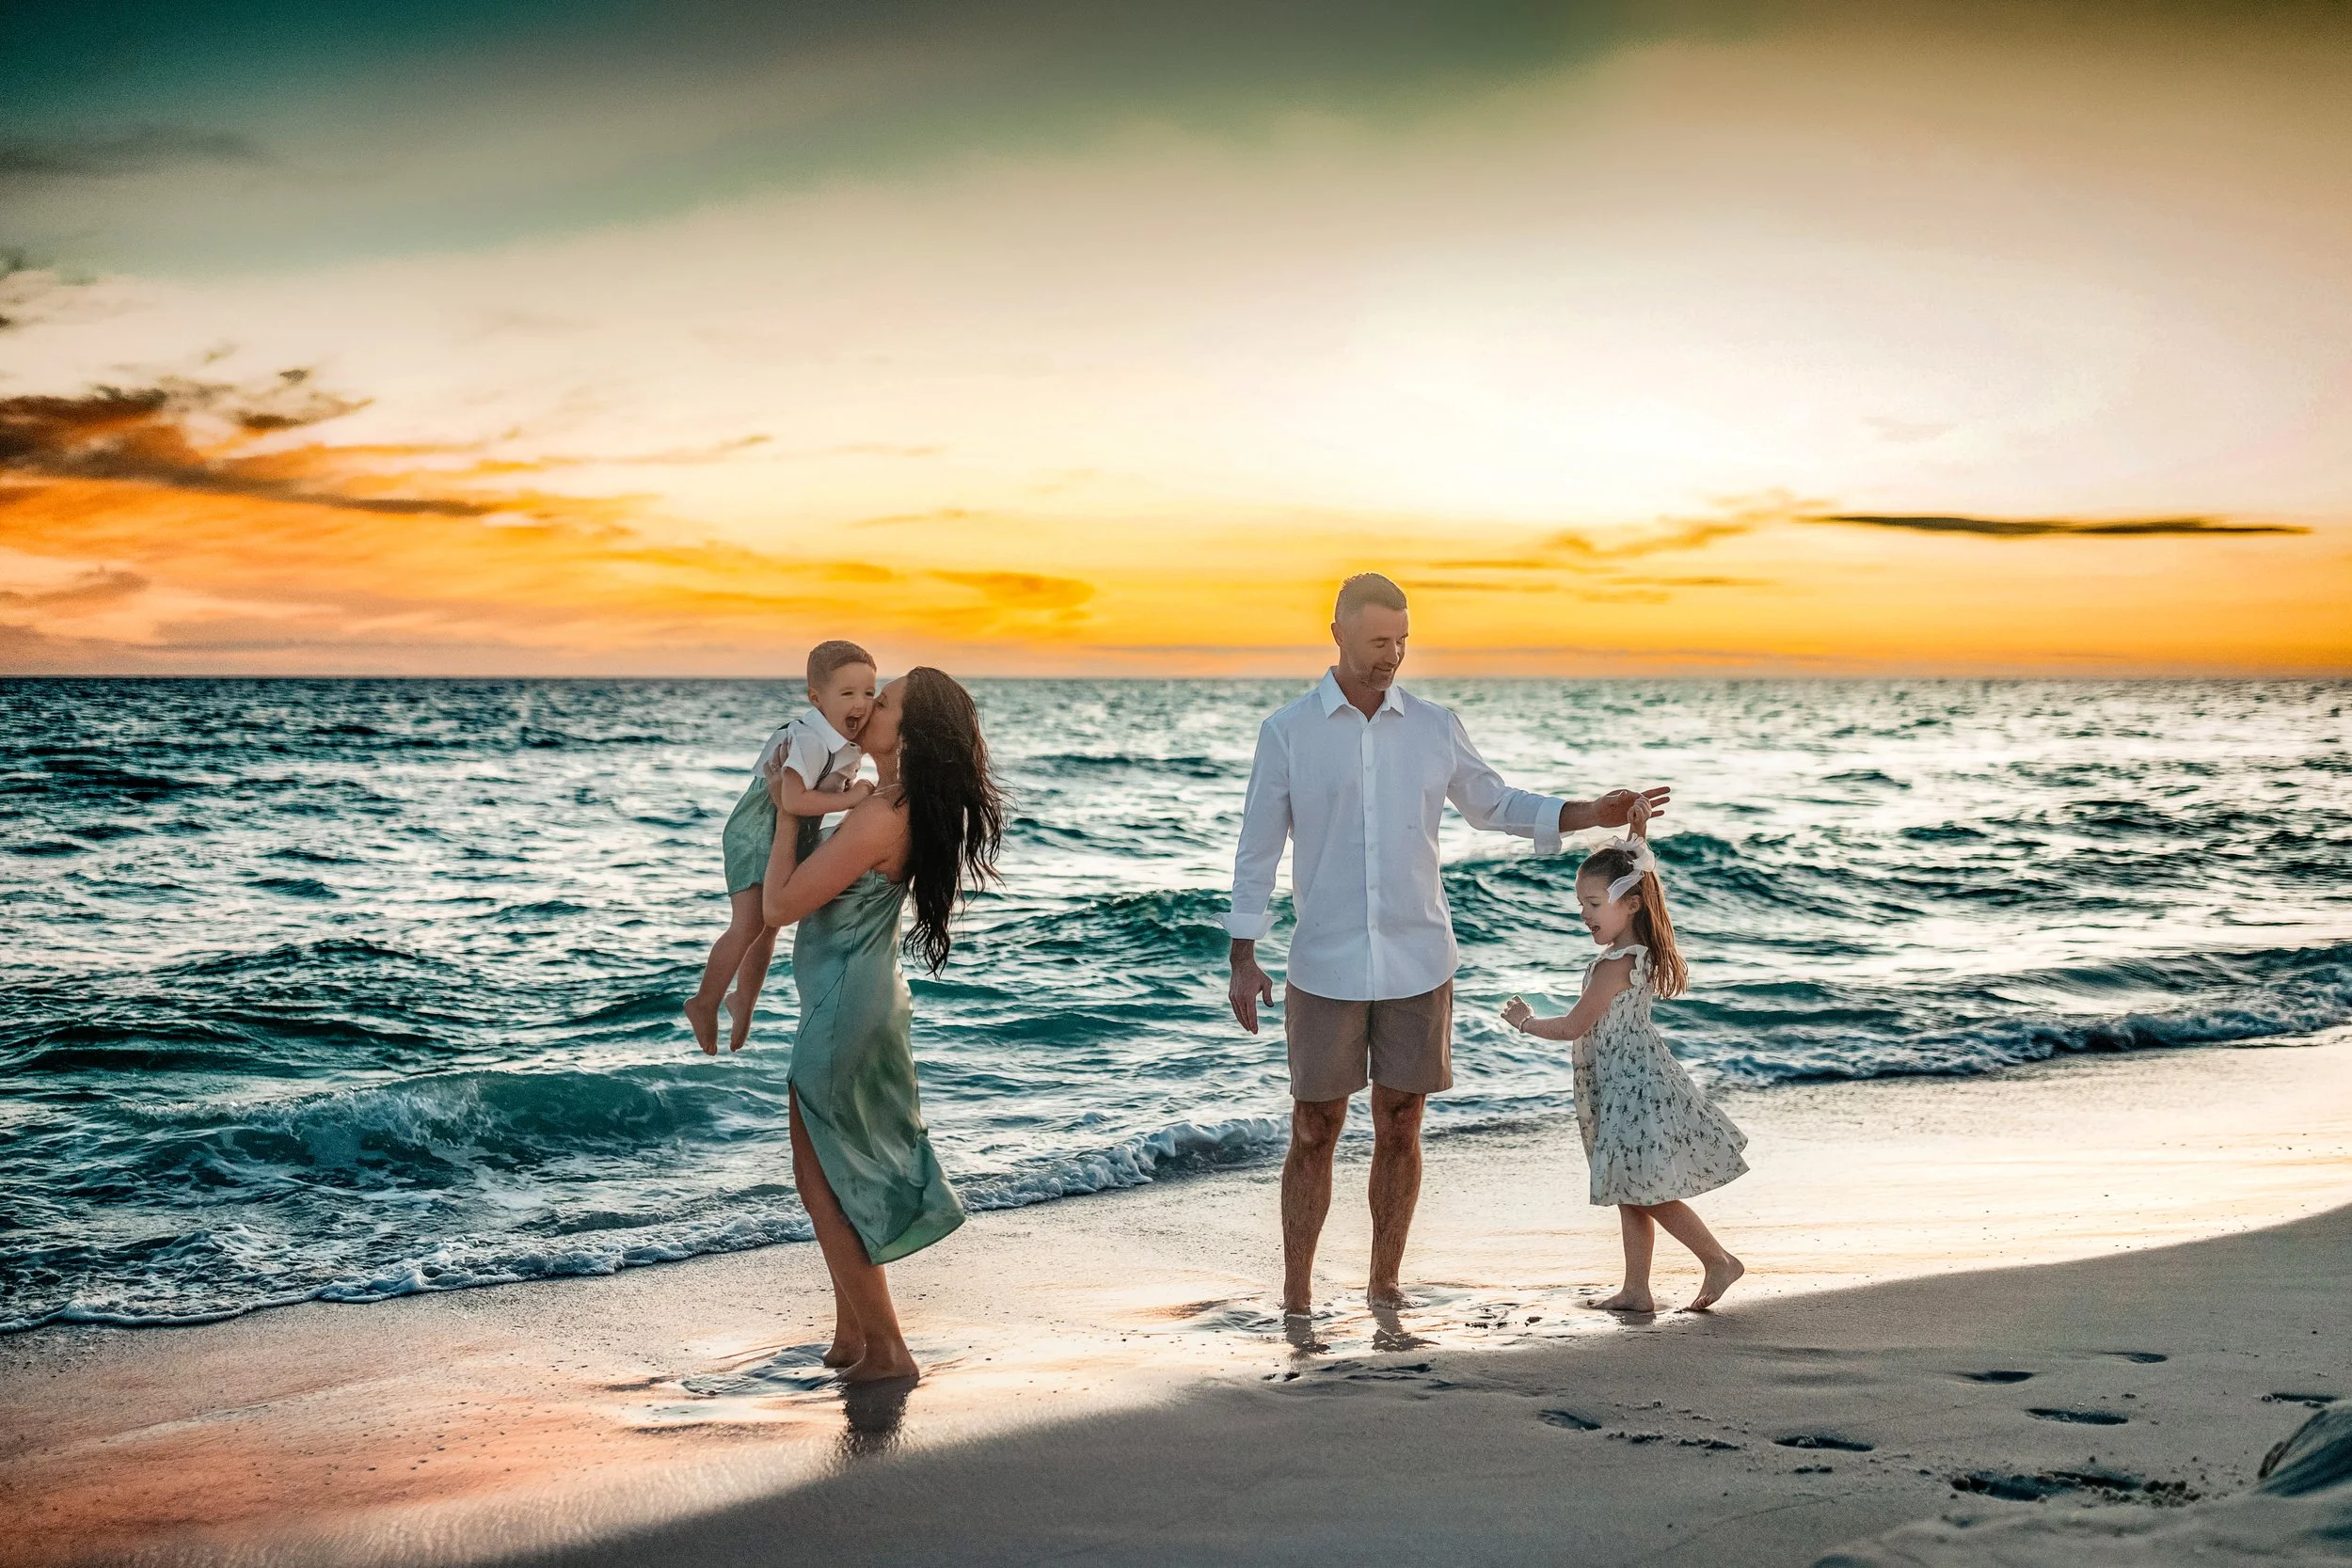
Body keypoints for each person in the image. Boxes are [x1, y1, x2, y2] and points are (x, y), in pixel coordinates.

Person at [1225, 573, 1671, 1317]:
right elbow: (1257, 848)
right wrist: (1244, 952)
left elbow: (1496, 804)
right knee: (1314, 1125)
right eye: (1377, 642)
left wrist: (1591, 810)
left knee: (1401, 1122)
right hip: (1325, 963)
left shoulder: (1434, 725)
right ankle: (1297, 1290)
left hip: (1419, 960)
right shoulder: (1288, 731)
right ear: (1336, 634)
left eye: (1401, 641)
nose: (1391, 656)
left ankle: (1383, 1282)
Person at [757, 667, 1003, 1383]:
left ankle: (888, 1347)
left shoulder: (883, 813)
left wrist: (785, 814)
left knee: (825, 1178)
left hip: (846, 1007)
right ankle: (850, 1336)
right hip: (865, 996)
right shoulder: (899, 805)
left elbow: (781, 906)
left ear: (912, 731)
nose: (867, 709)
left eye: (885, 702)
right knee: (841, 1166)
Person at [1502, 799, 1748, 1311]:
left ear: (1629, 904)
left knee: (1645, 1190)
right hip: (1632, 1081)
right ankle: (1637, 1290)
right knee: (1629, 1185)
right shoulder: (1631, 953)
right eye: (1581, 905)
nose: (1584, 914)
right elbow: (1639, 870)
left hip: (1632, 1087)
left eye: (1593, 903)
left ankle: (1718, 1260)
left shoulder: (1616, 964)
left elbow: (1574, 1025)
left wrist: (1525, 1023)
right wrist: (1636, 835)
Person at [684, 641, 878, 1054]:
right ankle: (704, 1002)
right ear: (817, 699)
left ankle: (743, 1002)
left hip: (788, 829)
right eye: (847, 693)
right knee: (749, 923)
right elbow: (789, 800)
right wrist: (852, 799)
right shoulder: (809, 740)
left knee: (770, 924)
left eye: (869, 693)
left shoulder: (845, 742)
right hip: (757, 829)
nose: (860, 703)